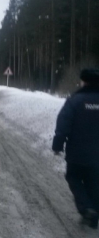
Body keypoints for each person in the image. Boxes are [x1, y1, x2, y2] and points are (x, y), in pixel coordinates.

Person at [52, 68, 99, 229]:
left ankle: (86, 208)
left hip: (77, 153)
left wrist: (57, 145)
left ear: (83, 82)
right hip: (96, 155)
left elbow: (63, 125)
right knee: (94, 182)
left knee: (73, 178)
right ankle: (94, 218)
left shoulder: (75, 101)